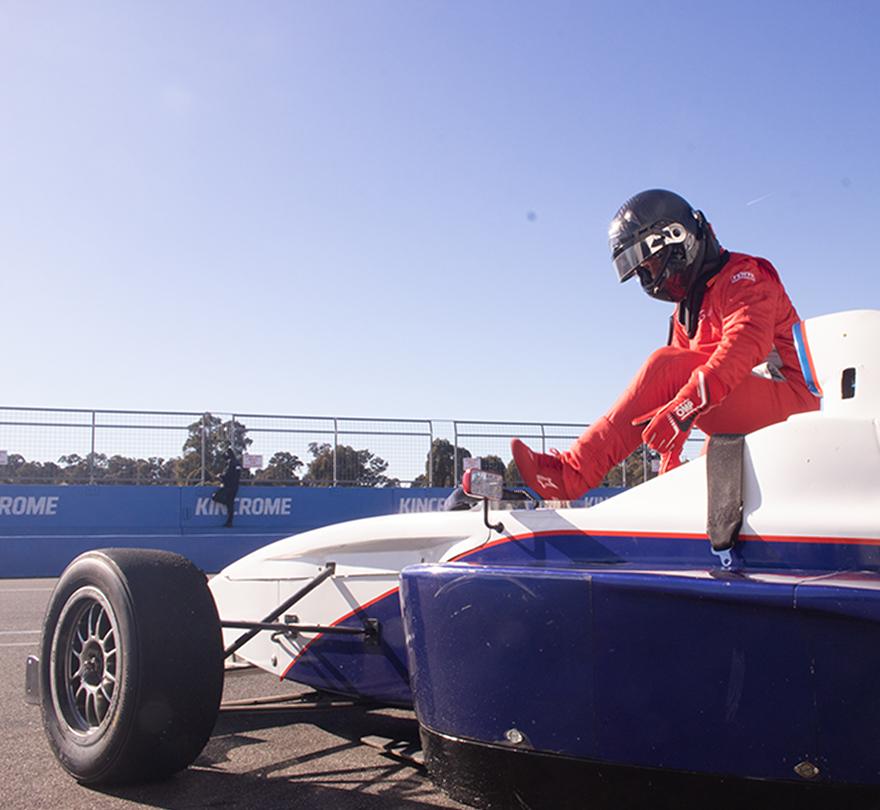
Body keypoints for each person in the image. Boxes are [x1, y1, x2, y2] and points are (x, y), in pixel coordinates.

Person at [512, 189, 820, 500]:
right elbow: (664, 397)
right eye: (640, 272)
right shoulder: (685, 313)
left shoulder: (746, 276)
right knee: (703, 479)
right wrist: (670, 461)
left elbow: (744, 345)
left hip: (797, 406)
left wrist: (684, 408)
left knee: (666, 366)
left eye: (649, 264)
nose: (648, 279)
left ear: (677, 240)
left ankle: (572, 473)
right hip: (751, 412)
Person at [212, 448, 242, 527]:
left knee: (215, 497)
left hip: (228, 486)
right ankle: (230, 522)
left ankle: (227, 505)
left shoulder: (230, 463)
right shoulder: (237, 463)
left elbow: (227, 475)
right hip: (235, 486)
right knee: (230, 504)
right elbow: (238, 475)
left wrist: (220, 476)